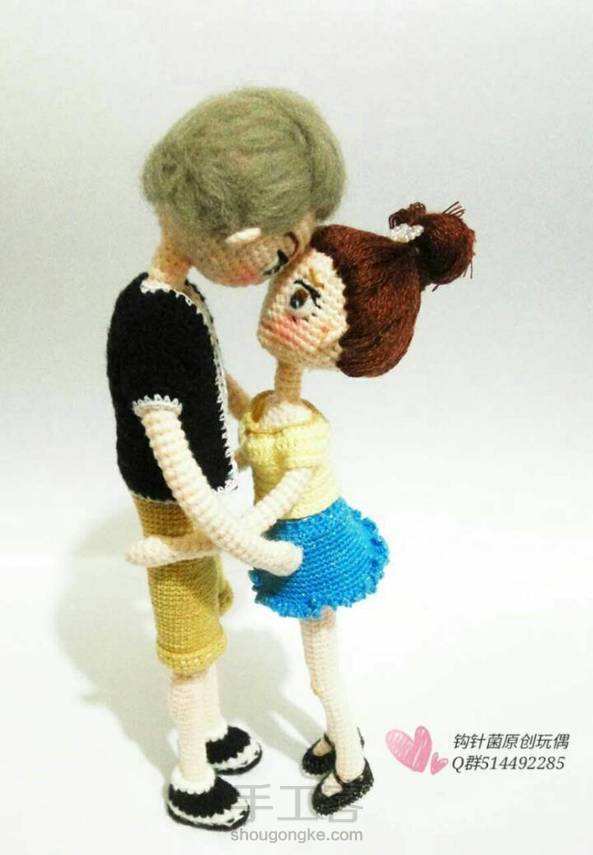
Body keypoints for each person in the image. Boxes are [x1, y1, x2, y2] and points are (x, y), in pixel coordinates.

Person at [133, 201, 475, 814]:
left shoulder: (304, 432)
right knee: (320, 662)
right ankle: (340, 741)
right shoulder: (274, 406)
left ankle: (352, 763)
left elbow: (271, 510)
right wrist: (204, 370)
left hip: (314, 548)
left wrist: (196, 541)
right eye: (288, 283)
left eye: (303, 301)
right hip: (290, 538)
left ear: (342, 346)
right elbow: (242, 409)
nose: (278, 305)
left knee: (322, 670)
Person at [106, 87, 345, 830]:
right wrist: (241, 538)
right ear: (236, 233)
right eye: (277, 250)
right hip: (177, 503)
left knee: (206, 610)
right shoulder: (151, 315)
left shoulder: (176, 299)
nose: (278, 268)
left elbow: (204, 379)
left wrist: (246, 412)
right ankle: (192, 773)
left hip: (198, 502)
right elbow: (165, 436)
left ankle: (209, 730)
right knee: (190, 640)